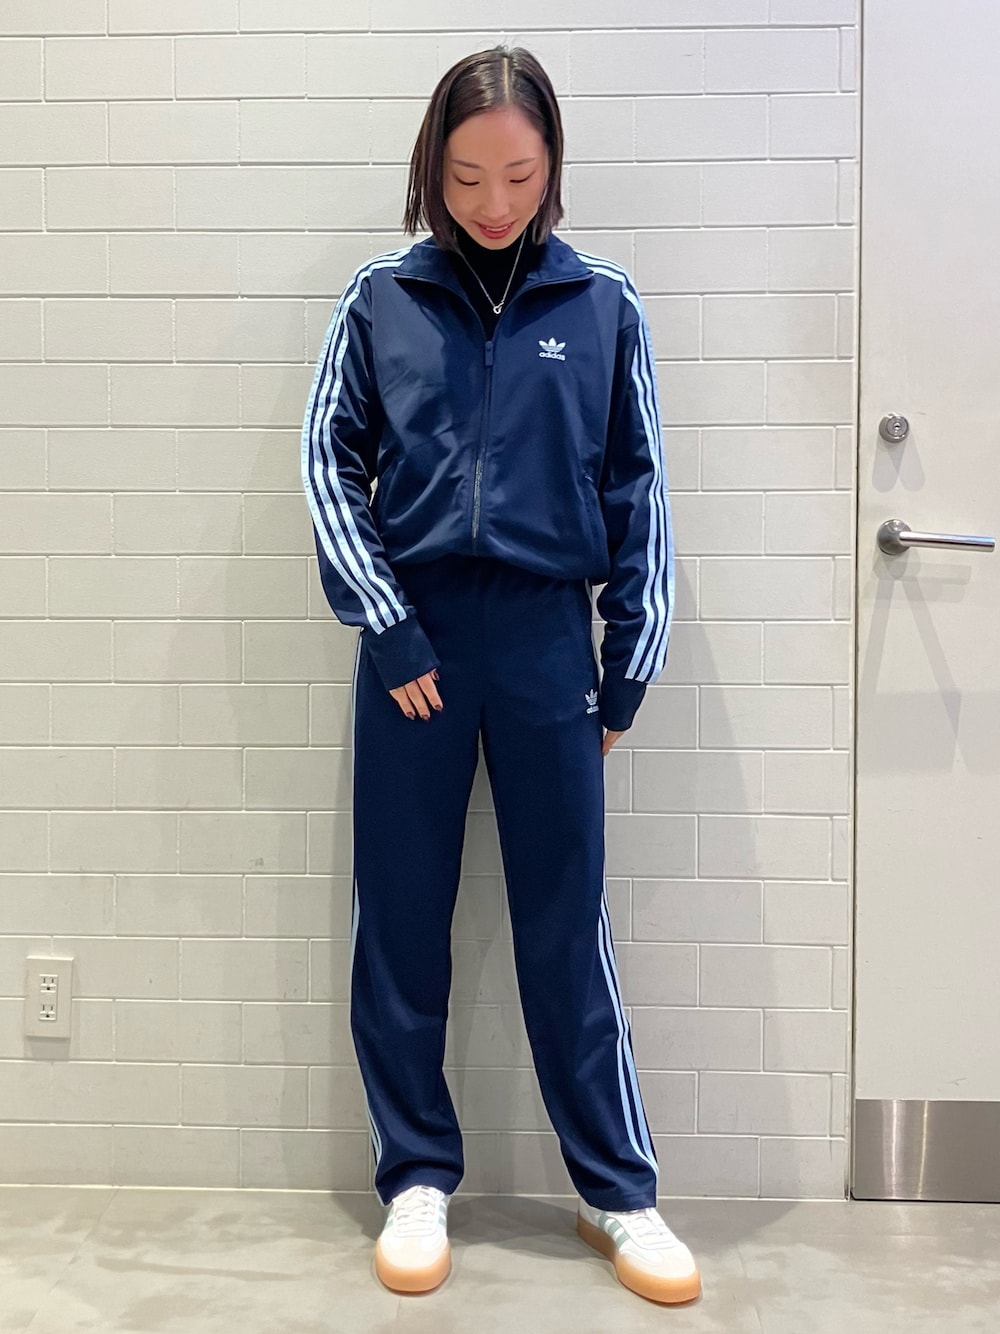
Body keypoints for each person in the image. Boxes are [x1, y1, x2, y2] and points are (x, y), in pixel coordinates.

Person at [301, 45, 702, 1306]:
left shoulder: (603, 304)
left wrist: (625, 668)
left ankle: (617, 1190)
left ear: (551, 167)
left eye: (518, 175)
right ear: (432, 168)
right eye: (467, 175)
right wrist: (389, 626)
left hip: (545, 646)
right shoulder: (381, 297)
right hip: (414, 650)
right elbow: (328, 465)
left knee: (564, 923)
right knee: (400, 915)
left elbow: (640, 491)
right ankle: (417, 1174)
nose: (491, 201)